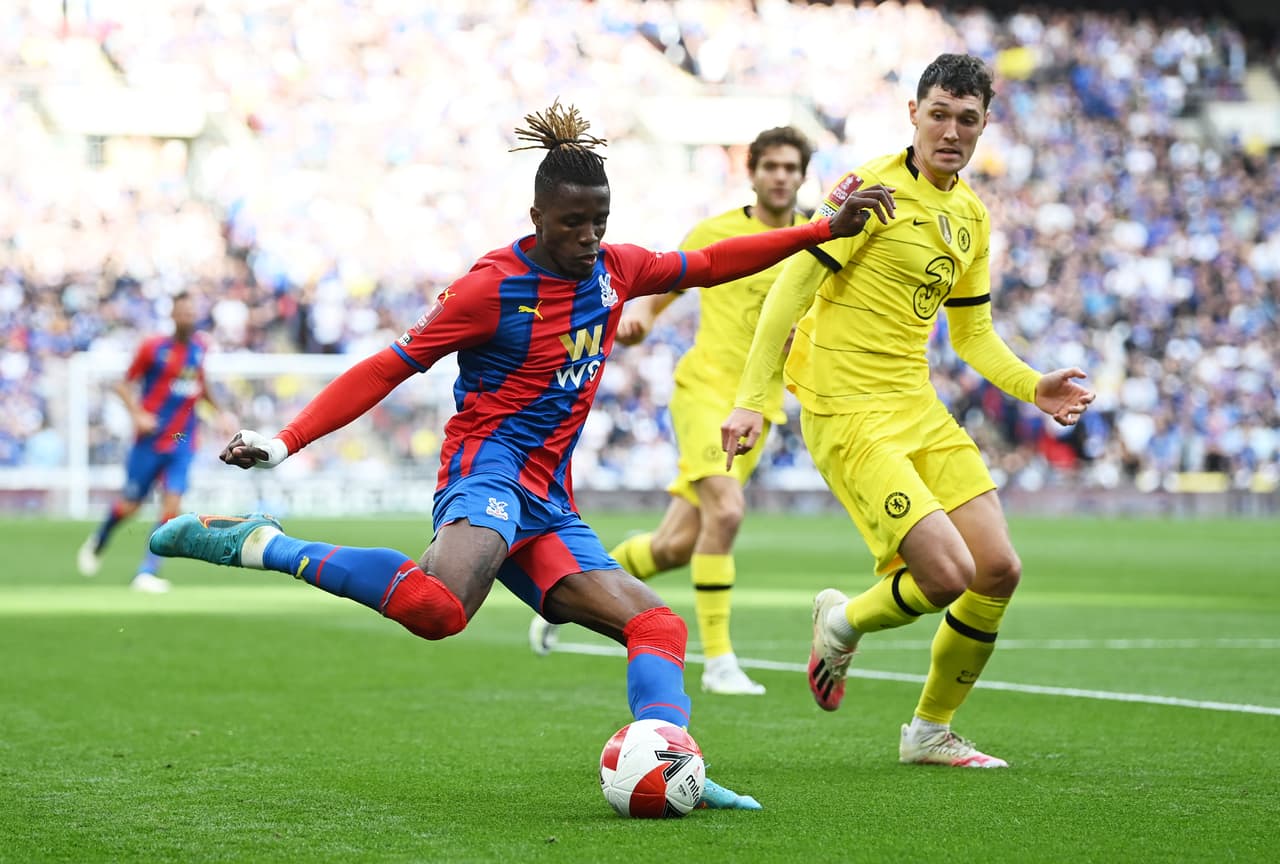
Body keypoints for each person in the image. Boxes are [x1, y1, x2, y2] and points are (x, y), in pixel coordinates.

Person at [148, 101, 894, 807]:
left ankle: (673, 761)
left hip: (547, 498)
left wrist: (821, 231)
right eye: (572, 223)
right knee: (439, 611)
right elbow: (387, 366)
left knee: (658, 628)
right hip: (486, 470)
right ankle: (265, 544)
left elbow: (710, 263)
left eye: (599, 221)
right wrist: (285, 440)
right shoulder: (490, 289)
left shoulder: (616, 270)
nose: (589, 237)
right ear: (537, 217)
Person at [721, 55, 1095, 768]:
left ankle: (928, 732)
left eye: (968, 119)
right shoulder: (869, 191)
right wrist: (750, 401)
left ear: (984, 127)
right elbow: (788, 292)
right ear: (914, 114)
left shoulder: (971, 215)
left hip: (915, 406)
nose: (951, 131)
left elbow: (973, 334)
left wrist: (1032, 387)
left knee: (998, 569)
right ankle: (842, 620)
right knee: (946, 575)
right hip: (846, 412)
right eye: (940, 114)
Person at [529, 127, 816, 697]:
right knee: (727, 513)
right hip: (706, 392)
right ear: (752, 172)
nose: (781, 176)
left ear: (803, 174)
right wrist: (642, 319)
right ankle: (720, 661)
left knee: (674, 547)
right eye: (771, 166)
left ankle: (565, 591)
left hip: (759, 407)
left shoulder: (816, 238)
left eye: (791, 167)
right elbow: (672, 282)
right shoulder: (717, 231)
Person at [77, 292, 220, 593]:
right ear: (173, 316)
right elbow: (122, 384)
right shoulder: (153, 349)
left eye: (191, 312)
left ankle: (147, 571)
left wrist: (220, 412)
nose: (188, 317)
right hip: (150, 441)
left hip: (182, 442)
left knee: (173, 503)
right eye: (182, 312)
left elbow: (200, 384)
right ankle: (100, 539)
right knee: (129, 506)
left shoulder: (199, 349)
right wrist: (137, 413)